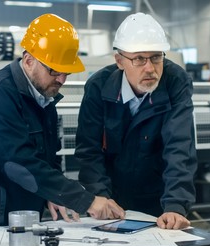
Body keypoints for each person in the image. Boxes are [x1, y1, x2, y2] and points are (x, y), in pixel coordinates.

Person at [0, 13, 125, 230]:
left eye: (66, 72)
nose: (61, 79)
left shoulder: (43, 98)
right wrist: (85, 200)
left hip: (23, 222)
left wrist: (54, 195)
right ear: (29, 60)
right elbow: (18, 163)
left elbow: (47, 160)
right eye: (54, 70)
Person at [75, 13, 197, 230]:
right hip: (111, 201)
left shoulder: (175, 82)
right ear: (120, 61)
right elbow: (89, 150)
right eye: (139, 59)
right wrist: (99, 196)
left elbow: (180, 147)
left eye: (156, 57)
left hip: (159, 200)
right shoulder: (98, 87)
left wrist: (176, 205)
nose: (150, 68)